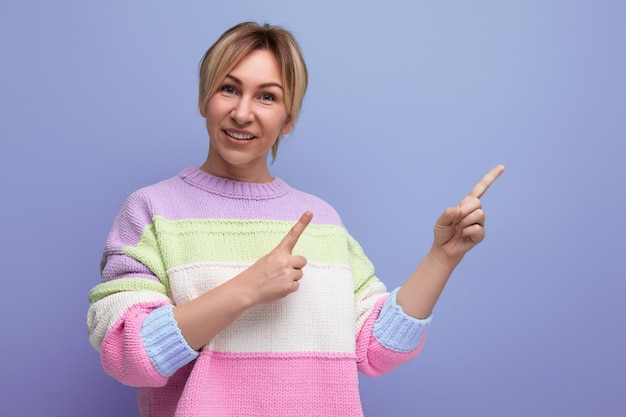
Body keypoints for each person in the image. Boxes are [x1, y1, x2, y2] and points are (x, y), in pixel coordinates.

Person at [86, 21, 504, 417]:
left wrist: (442, 257)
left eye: (267, 96)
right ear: (203, 99)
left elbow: (375, 348)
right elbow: (127, 355)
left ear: (289, 119)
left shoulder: (322, 220)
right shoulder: (150, 211)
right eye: (229, 89)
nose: (243, 113)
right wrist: (245, 289)